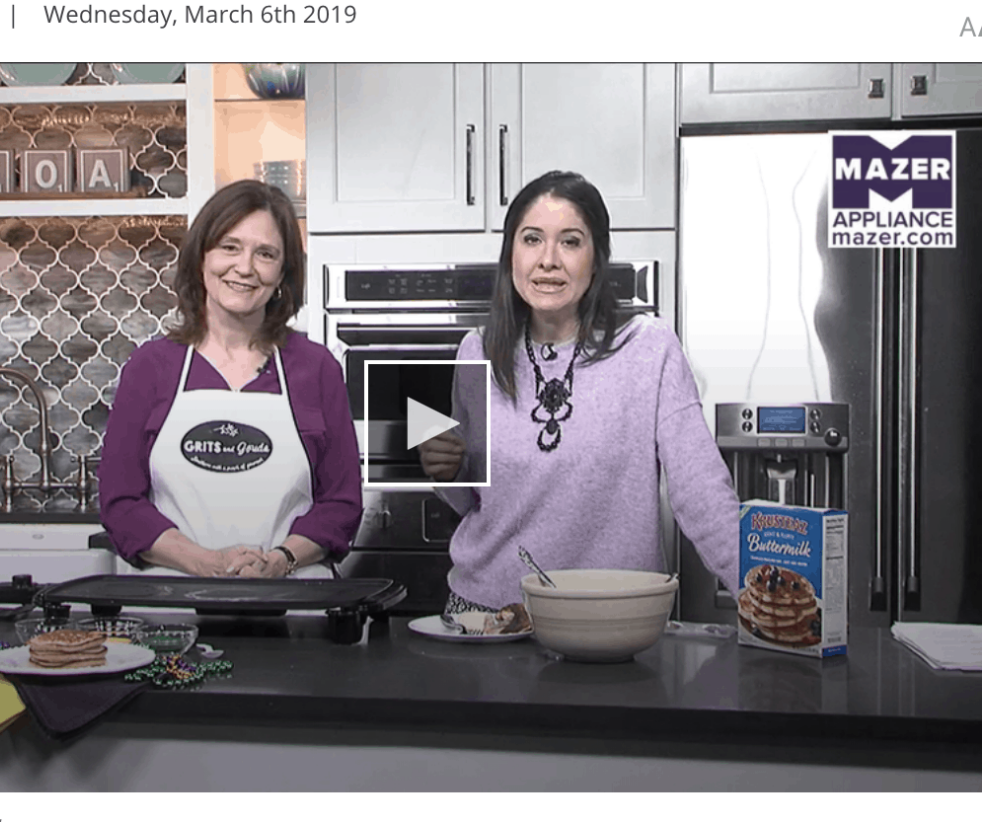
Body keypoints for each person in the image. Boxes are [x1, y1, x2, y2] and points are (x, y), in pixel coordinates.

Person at [418, 170, 739, 612]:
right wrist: (445, 471)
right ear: (511, 252)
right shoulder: (477, 351)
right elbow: (472, 495)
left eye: (570, 241)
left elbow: (702, 492)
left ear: (596, 257)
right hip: (487, 612)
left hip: (617, 618)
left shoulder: (649, 349)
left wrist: (764, 592)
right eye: (532, 239)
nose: (548, 260)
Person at [99, 179, 363, 579]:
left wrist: (278, 562)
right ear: (201, 256)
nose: (245, 268)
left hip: (294, 610)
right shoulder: (151, 367)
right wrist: (206, 563)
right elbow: (121, 505)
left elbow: (341, 506)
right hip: (171, 614)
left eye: (266, 254)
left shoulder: (316, 368)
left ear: (284, 272)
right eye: (230, 247)